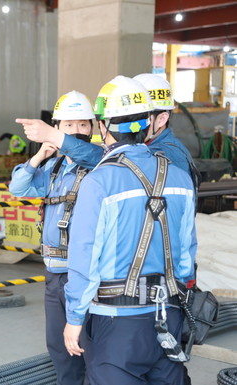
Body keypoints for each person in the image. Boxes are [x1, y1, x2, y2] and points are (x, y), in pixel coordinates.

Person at [63, 76, 197, 384]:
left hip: (116, 323)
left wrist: (74, 319)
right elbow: (187, 255)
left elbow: (84, 256)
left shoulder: (100, 182)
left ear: (103, 128)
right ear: (149, 122)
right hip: (169, 314)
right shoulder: (179, 178)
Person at [9, 90, 95, 385]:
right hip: (54, 274)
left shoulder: (100, 164)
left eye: (83, 125)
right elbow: (18, 188)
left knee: (87, 348)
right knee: (59, 349)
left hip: (83, 275)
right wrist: (39, 156)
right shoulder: (55, 169)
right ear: (57, 128)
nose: (77, 131)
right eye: (69, 126)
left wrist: (59, 142)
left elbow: (96, 155)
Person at [15, 74, 200, 190]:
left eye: (139, 117)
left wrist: (54, 136)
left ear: (160, 119)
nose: (129, 124)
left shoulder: (168, 154)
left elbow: (113, 161)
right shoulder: (55, 168)